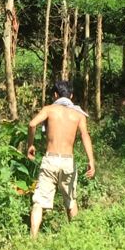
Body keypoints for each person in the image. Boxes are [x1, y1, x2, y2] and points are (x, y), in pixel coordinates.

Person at [25, 79, 96, 237]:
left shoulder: (49, 109)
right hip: (68, 162)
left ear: (55, 95)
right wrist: (91, 160)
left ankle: (33, 239)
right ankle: (75, 237)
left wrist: (30, 145)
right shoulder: (78, 114)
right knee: (71, 201)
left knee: (39, 201)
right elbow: (85, 135)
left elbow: (31, 124)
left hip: (50, 160)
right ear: (71, 95)